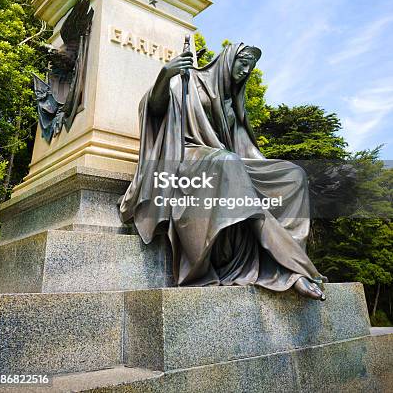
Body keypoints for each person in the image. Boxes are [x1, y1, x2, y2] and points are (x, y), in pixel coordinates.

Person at [119, 43, 326, 301]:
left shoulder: (231, 102)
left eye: (251, 66)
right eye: (243, 62)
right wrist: (165, 74)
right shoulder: (189, 80)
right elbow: (156, 109)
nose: (246, 69)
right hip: (188, 155)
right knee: (227, 163)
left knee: (293, 175)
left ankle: (289, 259)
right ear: (228, 59)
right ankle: (290, 268)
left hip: (225, 159)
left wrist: (270, 173)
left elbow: (248, 152)